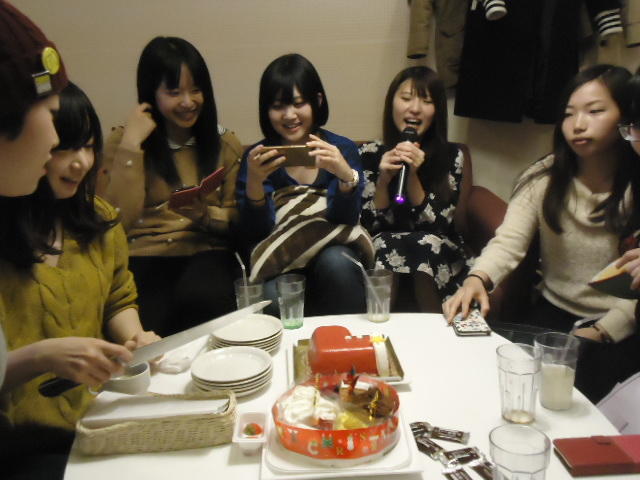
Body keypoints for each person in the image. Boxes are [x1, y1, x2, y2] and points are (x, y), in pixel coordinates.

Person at [444, 64, 640, 401]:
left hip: (620, 322)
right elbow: (509, 241)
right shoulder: (544, 176)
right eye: (568, 114)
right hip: (553, 311)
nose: (578, 124)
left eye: (595, 111)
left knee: (578, 398)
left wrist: (602, 330)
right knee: (500, 380)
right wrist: (477, 278)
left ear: (626, 118)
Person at [0, 81, 159, 472]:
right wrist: (41, 357)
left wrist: (135, 338)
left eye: (88, 147)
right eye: (63, 148)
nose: (81, 162)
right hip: (21, 442)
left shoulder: (98, 217)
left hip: (96, 419)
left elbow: (118, 298)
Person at [99, 37, 243, 336]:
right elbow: (115, 221)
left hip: (204, 249)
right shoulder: (123, 142)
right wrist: (131, 146)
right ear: (151, 93)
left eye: (196, 90)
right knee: (145, 318)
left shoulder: (224, 143)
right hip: (143, 253)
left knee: (204, 297)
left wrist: (206, 216)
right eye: (174, 92)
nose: (188, 102)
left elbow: (237, 217)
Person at [236, 53, 372, 316]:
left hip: (333, 251)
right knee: (272, 295)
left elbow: (345, 219)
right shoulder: (257, 157)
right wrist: (254, 183)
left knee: (337, 263)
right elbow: (255, 233)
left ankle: (346, 340)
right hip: (280, 261)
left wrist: (345, 175)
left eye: (299, 104)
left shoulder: (340, 149)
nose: (289, 115)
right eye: (278, 106)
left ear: (317, 101)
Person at [360, 66, 471, 312]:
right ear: (392, 104)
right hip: (384, 248)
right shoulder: (368, 153)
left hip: (437, 249)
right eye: (407, 98)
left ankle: (435, 328)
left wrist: (411, 176)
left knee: (424, 243)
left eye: (426, 101)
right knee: (385, 243)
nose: (415, 108)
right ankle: (380, 329)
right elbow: (368, 226)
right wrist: (383, 181)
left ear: (436, 111)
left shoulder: (451, 155)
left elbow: (439, 226)